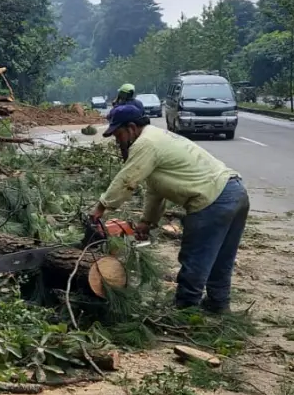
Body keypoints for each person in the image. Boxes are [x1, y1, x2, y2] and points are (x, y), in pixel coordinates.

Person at [90, 104, 249, 314]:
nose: (118, 140)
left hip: (213, 199)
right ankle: (218, 305)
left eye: (118, 134)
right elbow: (156, 190)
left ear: (130, 128)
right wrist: (147, 222)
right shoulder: (157, 138)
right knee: (221, 257)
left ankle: (185, 309)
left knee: (195, 257)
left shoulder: (145, 143)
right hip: (236, 192)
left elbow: (127, 180)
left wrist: (100, 208)